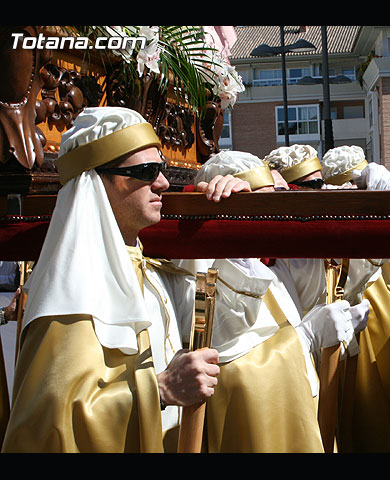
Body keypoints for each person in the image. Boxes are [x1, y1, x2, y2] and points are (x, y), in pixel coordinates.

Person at [1, 107, 248, 453]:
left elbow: (242, 333)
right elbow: (48, 424)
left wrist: (232, 215)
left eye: (161, 169)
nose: (162, 182)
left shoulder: (154, 270)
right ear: (96, 184)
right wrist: (159, 391)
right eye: (146, 171)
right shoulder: (73, 289)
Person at [177, 150, 370, 452]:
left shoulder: (273, 265)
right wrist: (306, 338)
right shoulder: (204, 273)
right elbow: (236, 371)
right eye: (264, 202)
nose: (277, 215)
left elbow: (324, 265)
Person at [317, 145, 390, 452]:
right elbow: (348, 277)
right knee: (370, 399)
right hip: (362, 315)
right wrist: (373, 209)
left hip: (388, 301)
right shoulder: (335, 222)